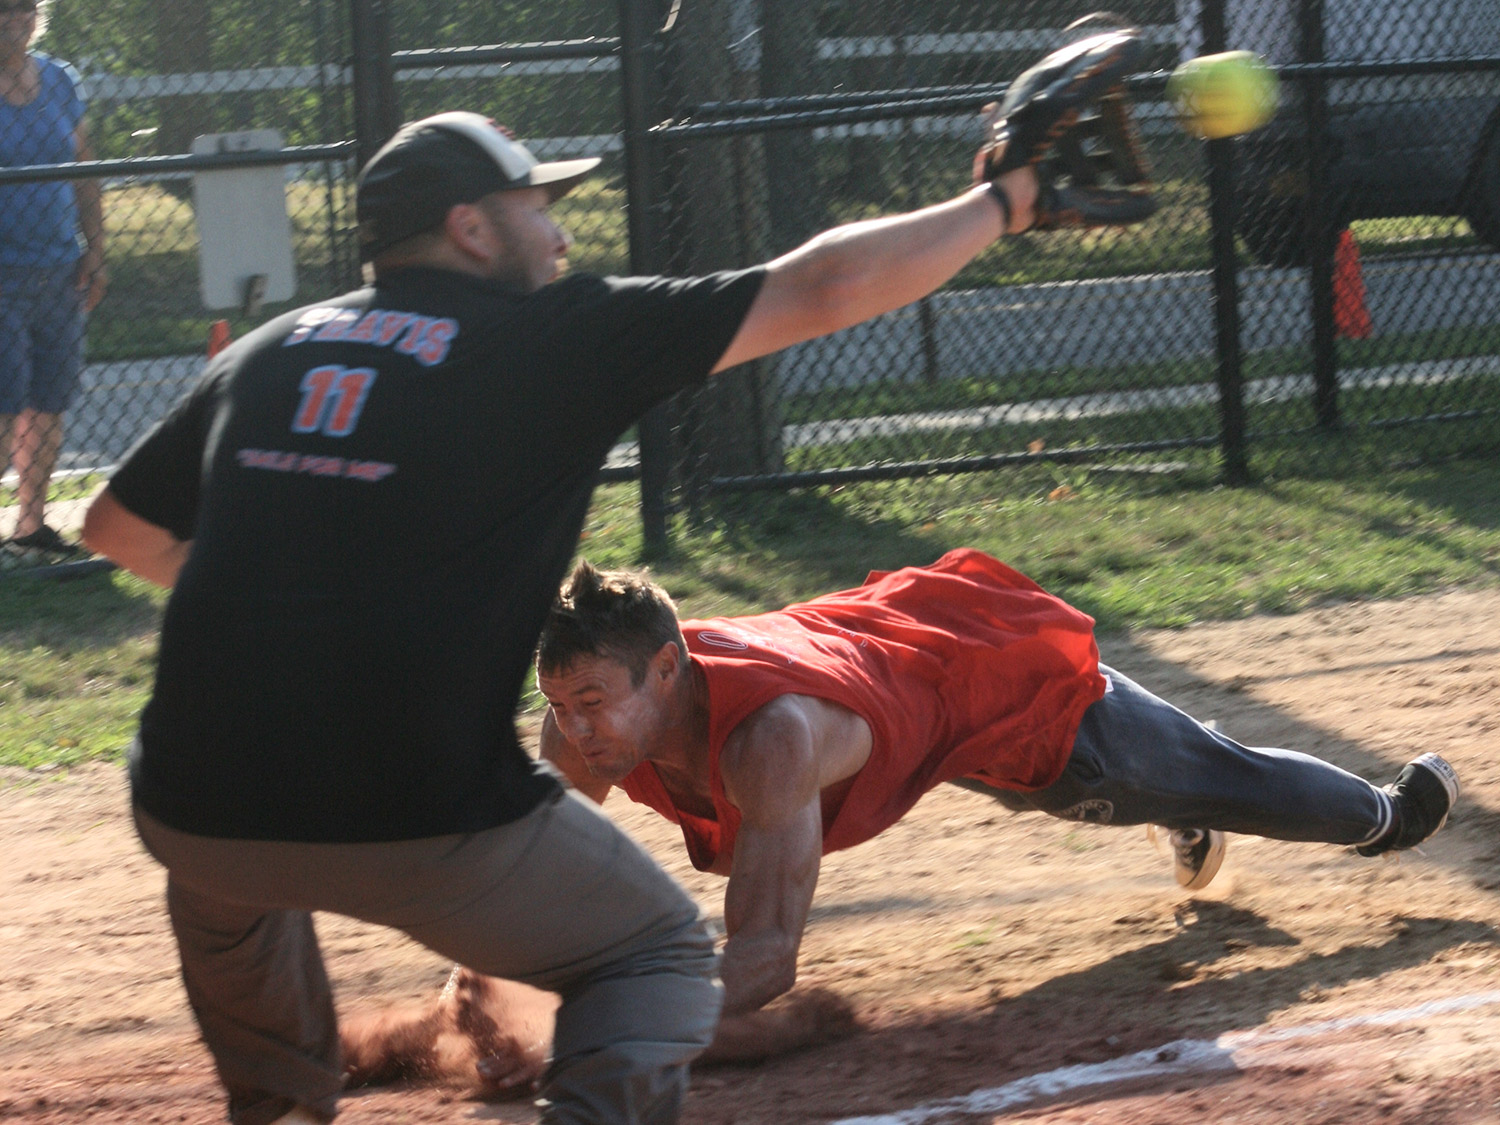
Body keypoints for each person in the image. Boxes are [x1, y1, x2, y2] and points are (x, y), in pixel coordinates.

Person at [80, 105, 1046, 1125]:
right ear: (471, 228)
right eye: (538, 207)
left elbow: (115, 528)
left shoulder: (270, 351)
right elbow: (828, 284)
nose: (562, 235)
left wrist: (292, 590)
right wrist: (1004, 201)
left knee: (233, 884)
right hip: (412, 807)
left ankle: (275, 1106)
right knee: (657, 955)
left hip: (191, 806)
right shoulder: (548, 337)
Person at [527, 549, 1459, 1060]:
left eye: (595, 705)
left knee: (1188, 773)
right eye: (560, 707)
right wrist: (489, 985)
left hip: (976, 675)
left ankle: (1389, 811)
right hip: (889, 685)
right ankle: (1169, 800)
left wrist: (613, 1021)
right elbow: (524, 871)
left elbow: (766, 957)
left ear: (668, 666)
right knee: (1088, 789)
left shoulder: (770, 743)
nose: (578, 730)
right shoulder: (583, 723)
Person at [1, 0, 106, 558]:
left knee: (48, 402)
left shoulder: (61, 80)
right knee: (3, 403)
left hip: (59, 271)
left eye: (23, 8)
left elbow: (85, 168)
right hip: (1, 277)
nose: (13, 18)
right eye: (2, 10)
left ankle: (31, 527)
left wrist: (97, 250)